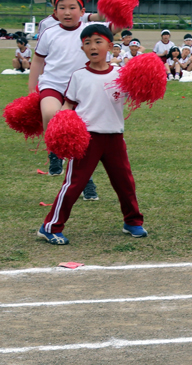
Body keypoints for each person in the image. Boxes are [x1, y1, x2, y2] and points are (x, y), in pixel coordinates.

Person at [37, 24, 146, 245]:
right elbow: (69, 103)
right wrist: (60, 123)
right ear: (82, 48)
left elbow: (137, 93)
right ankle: (50, 227)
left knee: (125, 183)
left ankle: (132, 221)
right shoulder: (78, 76)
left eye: (98, 42)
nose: (92, 47)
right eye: (87, 43)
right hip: (87, 139)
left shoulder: (121, 75)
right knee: (74, 184)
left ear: (110, 46)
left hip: (115, 136)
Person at [28, 0, 103, 196]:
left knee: (80, 135)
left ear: (82, 10)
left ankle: (86, 179)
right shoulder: (48, 32)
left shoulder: (90, 30)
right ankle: (54, 151)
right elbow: (37, 60)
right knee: (51, 113)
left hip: (81, 88)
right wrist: (31, 89)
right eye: (62, 8)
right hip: (52, 84)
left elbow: (114, 23)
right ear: (55, 11)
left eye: (72, 8)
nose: (67, 12)